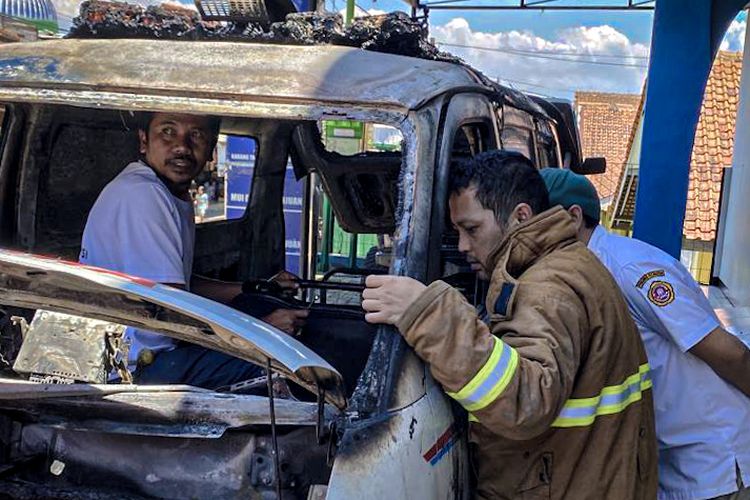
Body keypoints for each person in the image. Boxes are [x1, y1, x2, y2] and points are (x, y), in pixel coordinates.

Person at [362, 150, 657, 499]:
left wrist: (427, 314)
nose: (463, 245)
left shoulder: (548, 288)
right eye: (457, 230)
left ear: (520, 216)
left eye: (472, 228)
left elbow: (526, 401)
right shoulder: (569, 264)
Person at [541, 167, 750, 500]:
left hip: (716, 462)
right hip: (680, 465)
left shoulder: (628, 268)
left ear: (573, 217)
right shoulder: (584, 273)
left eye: (536, 221)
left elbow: (728, 353)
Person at [80, 111, 308, 388]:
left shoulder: (171, 193)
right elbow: (174, 309)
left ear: (211, 148)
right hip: (135, 368)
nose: (182, 147)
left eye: (196, 135)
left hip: (157, 352)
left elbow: (181, 285)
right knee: (289, 363)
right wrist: (261, 333)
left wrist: (251, 288)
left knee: (253, 304)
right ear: (143, 141)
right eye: (167, 132)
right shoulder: (142, 195)